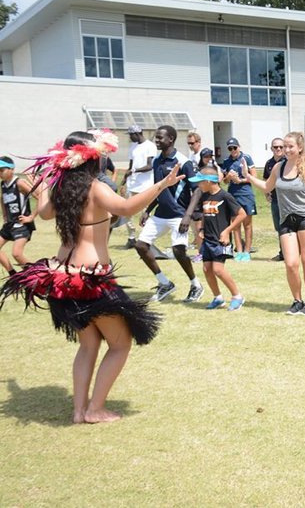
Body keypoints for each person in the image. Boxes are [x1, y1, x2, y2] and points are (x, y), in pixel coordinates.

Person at [0, 130, 183, 423]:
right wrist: (162, 184)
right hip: (91, 280)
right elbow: (126, 208)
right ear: (90, 159)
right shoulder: (95, 187)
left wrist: (47, 183)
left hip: (61, 277)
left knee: (88, 345)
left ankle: (78, 411)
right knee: (120, 344)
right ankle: (94, 409)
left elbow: (44, 213)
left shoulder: (61, 190)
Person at [246, 131, 305, 315]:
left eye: (290, 146)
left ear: (300, 147)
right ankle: (297, 300)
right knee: (290, 263)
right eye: (284, 146)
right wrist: (248, 177)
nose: (285, 149)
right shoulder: (278, 167)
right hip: (286, 219)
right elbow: (267, 187)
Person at [135, 125, 204, 303]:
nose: (156, 141)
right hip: (160, 214)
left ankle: (196, 284)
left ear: (171, 139)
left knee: (179, 251)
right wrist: (148, 210)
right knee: (141, 246)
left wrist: (188, 216)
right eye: (156, 138)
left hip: (179, 214)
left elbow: (197, 191)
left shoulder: (183, 162)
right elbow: (158, 189)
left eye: (160, 138)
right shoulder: (157, 161)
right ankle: (164, 283)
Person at [189, 166, 247, 311]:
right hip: (207, 239)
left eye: (200, 182)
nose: (198, 185)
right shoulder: (204, 195)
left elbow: (242, 214)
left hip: (220, 240)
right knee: (207, 268)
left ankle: (237, 296)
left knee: (218, 269)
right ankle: (218, 298)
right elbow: (204, 214)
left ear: (209, 181)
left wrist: (227, 231)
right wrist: (201, 229)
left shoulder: (225, 196)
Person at [121, 125, 156, 249]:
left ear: (137, 133)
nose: (130, 138)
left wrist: (134, 170)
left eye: (131, 135)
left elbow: (150, 166)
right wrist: (124, 181)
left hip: (145, 186)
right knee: (126, 212)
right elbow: (131, 166)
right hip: (132, 184)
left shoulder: (150, 146)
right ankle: (131, 238)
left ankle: (147, 240)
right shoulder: (133, 146)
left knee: (145, 213)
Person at [221, 138, 257, 262]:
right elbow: (224, 181)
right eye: (230, 148)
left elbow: (254, 177)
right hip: (233, 195)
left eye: (235, 148)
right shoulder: (226, 161)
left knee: (247, 224)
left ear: (239, 147)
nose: (233, 150)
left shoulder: (246, 158)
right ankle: (239, 251)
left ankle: (247, 251)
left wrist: (240, 180)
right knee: (235, 224)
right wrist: (229, 177)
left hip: (246, 194)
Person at [0, 157, 38, 274]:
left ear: (12, 169)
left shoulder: (19, 183)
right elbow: (2, 198)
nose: (0, 173)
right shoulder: (3, 184)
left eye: (2, 170)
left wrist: (31, 217)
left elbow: (40, 197)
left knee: (16, 253)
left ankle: (37, 275)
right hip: (9, 224)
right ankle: (13, 274)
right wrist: (5, 215)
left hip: (22, 224)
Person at [263, 137, 286, 262]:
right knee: (279, 227)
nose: (278, 149)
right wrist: (266, 192)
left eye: (280, 147)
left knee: (289, 227)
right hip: (276, 200)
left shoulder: (288, 162)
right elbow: (266, 179)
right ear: (271, 148)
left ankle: (292, 252)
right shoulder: (269, 163)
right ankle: (283, 253)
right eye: (275, 147)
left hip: (288, 201)